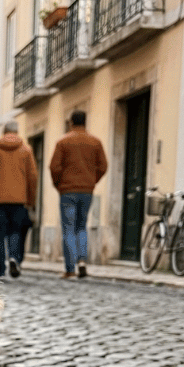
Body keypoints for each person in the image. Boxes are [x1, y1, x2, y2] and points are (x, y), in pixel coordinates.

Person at [49, 110, 108, 279]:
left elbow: (54, 167)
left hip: (67, 191)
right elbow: (103, 166)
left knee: (68, 229)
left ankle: (70, 269)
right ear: (85, 122)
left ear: (71, 123)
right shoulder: (95, 142)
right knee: (82, 226)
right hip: (86, 191)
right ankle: (82, 261)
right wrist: (91, 181)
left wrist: (58, 185)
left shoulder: (63, 142)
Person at [0, 120, 37, 279]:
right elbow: (32, 177)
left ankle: (0, 269)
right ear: (17, 132)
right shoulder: (26, 150)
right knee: (15, 232)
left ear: (4, 132)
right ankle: (13, 257)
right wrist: (31, 200)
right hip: (19, 200)